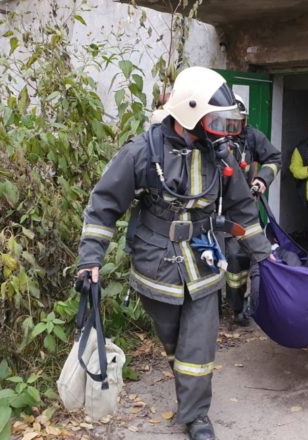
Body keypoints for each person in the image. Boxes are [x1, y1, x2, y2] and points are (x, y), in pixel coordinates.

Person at [76, 66, 272, 440]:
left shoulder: (221, 156)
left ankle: (196, 416)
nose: (222, 131)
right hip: (157, 264)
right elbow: (103, 206)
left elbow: (243, 210)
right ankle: (187, 388)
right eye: (214, 121)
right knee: (173, 341)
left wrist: (263, 254)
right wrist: (90, 259)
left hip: (203, 261)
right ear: (190, 114)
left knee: (197, 343)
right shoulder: (142, 152)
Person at [224, 94, 281, 326]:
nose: (232, 128)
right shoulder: (212, 139)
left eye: (237, 123)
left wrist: (262, 180)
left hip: (245, 208)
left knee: (240, 259)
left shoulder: (252, 137)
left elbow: (274, 158)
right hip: (216, 209)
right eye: (229, 122)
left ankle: (238, 307)